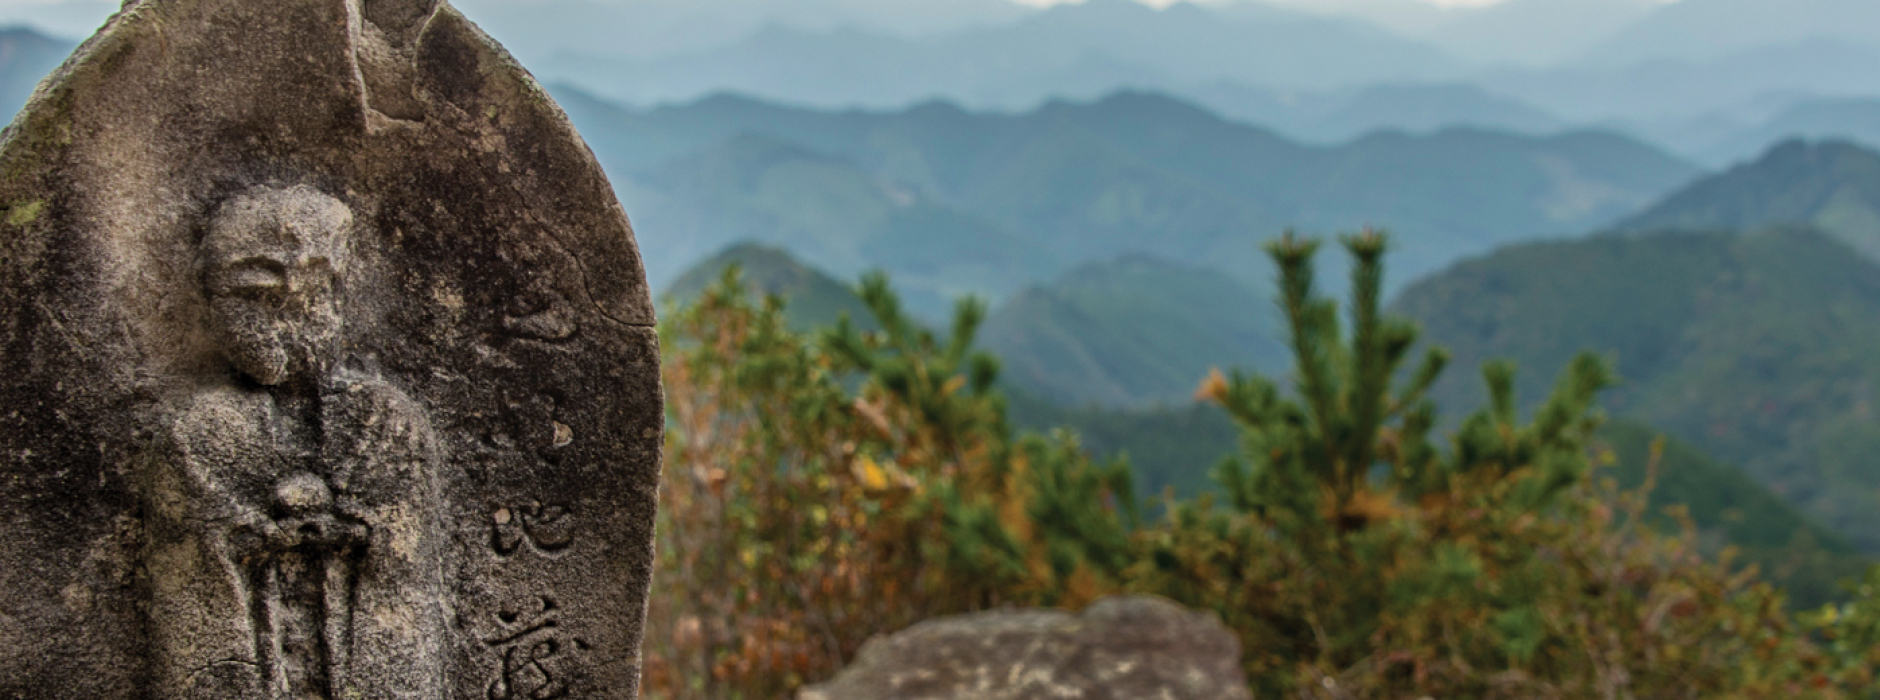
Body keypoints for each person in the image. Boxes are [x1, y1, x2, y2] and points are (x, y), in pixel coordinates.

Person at [140, 184, 445, 699]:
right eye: (242, 295)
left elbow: (402, 562)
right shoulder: (202, 429)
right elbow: (190, 570)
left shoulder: (383, 420)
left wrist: (351, 533)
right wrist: (252, 534)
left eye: (283, 292)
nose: (272, 314)